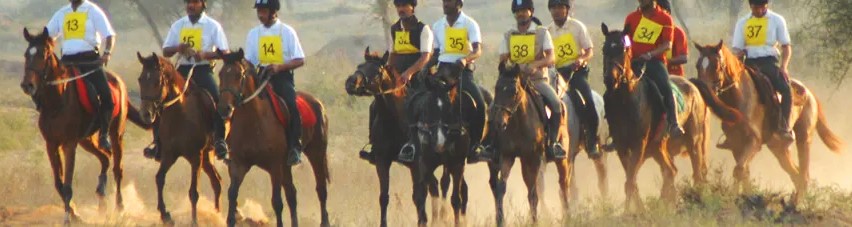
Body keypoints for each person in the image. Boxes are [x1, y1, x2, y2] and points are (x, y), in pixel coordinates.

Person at [399, 0, 487, 163]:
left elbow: (477, 50)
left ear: (458, 4)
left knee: (480, 105)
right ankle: (412, 143)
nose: (445, 4)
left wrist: (465, 59)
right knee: (414, 100)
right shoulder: (438, 25)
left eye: (449, 1)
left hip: (462, 72)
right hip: (442, 71)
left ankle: (476, 146)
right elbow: (437, 52)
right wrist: (426, 67)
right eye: (444, 1)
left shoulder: (469, 24)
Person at [145, 0, 230, 160]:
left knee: (217, 99)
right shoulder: (179, 25)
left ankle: (219, 140)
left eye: (195, 2)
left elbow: (224, 52)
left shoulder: (213, 26)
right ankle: (157, 142)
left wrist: (204, 55)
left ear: (203, 4)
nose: (190, 5)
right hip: (181, 70)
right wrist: (179, 48)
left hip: (203, 69)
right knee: (160, 99)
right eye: (188, 2)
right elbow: (166, 50)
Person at [359, 0, 434, 163]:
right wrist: (387, 71)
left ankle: (421, 143)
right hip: (397, 78)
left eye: (404, 6)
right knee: (375, 105)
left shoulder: (423, 29)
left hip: (417, 78)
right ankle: (374, 145)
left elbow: (425, 56)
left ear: (412, 7)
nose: (401, 9)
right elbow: (393, 54)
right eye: (398, 6)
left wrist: (409, 73)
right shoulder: (394, 29)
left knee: (420, 105)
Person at [46, 0, 117, 150]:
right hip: (67, 63)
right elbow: (47, 35)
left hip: (89, 61)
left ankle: (103, 135)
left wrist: (107, 53)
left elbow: (109, 35)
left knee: (107, 97)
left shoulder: (92, 10)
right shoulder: (61, 13)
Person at [245, 0, 306, 165]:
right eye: (258, 11)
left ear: (273, 11)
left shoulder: (287, 31)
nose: (260, 14)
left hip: (282, 77)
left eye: (263, 11)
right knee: (241, 102)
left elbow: (300, 59)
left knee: (292, 105)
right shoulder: (253, 33)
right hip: (260, 76)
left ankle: (294, 146)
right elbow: (249, 60)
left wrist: (280, 67)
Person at [731, 0, 794, 142]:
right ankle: (731, 129)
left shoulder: (777, 20)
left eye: (761, 7)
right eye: (755, 8)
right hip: (748, 63)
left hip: (768, 62)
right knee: (730, 88)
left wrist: (784, 66)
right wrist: (738, 55)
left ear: (766, 5)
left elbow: (786, 46)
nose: (758, 11)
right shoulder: (742, 22)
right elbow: (737, 48)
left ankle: (784, 126)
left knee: (786, 89)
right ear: (750, 6)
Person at [546, 0, 599, 158]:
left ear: (567, 9)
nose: (556, 11)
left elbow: (589, 50)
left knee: (587, 100)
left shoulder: (577, 27)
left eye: (560, 7)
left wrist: (582, 59)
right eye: (553, 8)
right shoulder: (548, 31)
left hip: (575, 72)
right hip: (555, 74)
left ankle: (591, 140)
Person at [623, 0, 684, 137]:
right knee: (617, 87)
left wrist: (650, 54)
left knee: (666, 88)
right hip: (634, 62)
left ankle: (674, 123)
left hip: (655, 62)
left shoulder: (665, 18)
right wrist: (627, 48)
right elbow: (626, 38)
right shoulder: (631, 18)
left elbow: (667, 44)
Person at [657, 0, 688, 77]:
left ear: (668, 13)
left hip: (674, 76)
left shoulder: (678, 32)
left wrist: (664, 61)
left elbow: (684, 58)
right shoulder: (648, 30)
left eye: (660, 12)